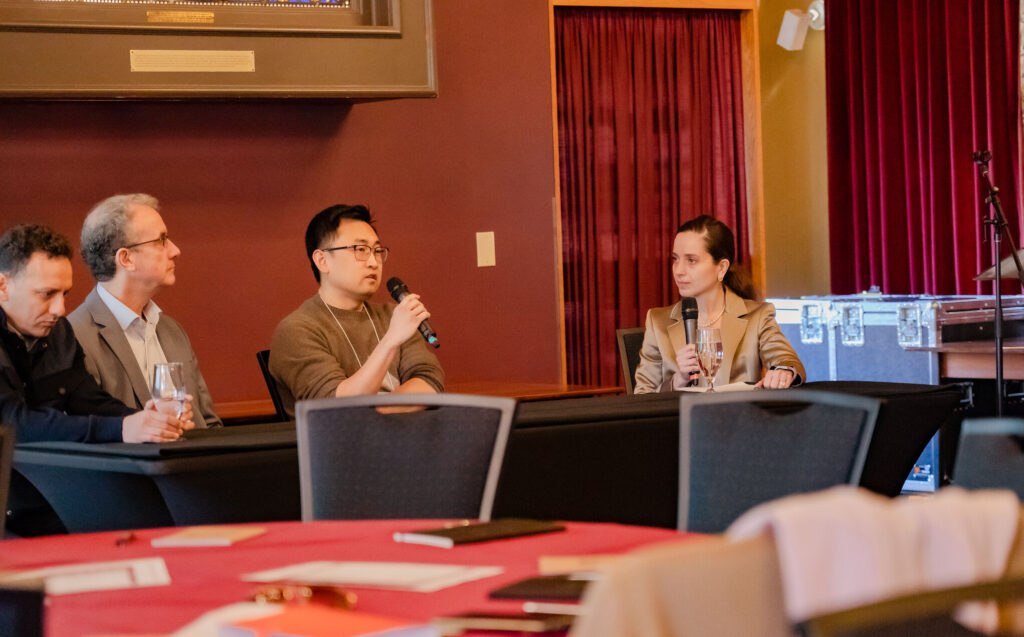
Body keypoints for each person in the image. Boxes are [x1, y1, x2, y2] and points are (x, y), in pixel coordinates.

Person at [0, 224, 192, 443]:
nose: (60, 310)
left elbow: (89, 402)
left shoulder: (59, 333)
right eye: (47, 294)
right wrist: (122, 428)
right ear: (3, 286)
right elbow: (13, 424)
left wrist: (145, 420)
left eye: (64, 294)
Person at [269, 204, 444, 418]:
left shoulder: (392, 315)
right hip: (340, 447)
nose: (373, 262)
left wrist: (378, 414)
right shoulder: (296, 330)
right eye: (360, 250)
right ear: (322, 261)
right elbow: (339, 408)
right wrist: (391, 340)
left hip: (401, 438)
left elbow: (428, 378)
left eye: (377, 251)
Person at [68, 194, 222, 429]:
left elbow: (209, 423)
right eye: (161, 240)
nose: (175, 250)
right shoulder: (75, 337)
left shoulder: (172, 330)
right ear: (126, 258)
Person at [633, 215, 805, 393]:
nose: (679, 271)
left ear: (721, 267)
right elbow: (642, 396)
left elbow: (787, 360)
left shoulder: (758, 316)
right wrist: (677, 381)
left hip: (738, 418)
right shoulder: (657, 321)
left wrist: (783, 371)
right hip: (680, 421)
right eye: (675, 259)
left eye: (691, 260)